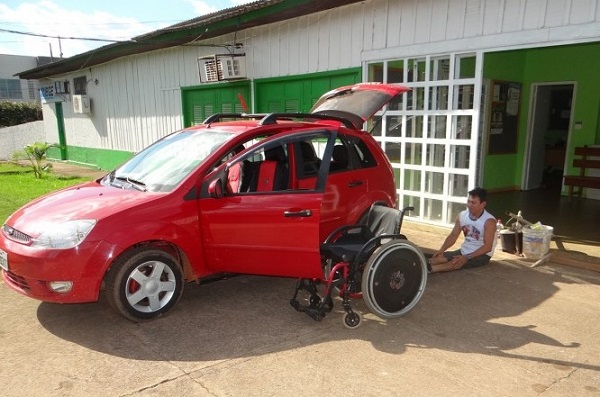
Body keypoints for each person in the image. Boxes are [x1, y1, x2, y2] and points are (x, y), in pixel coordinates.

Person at [428, 187, 496, 273]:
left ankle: (428, 270)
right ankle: (421, 265)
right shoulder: (462, 215)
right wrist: (442, 250)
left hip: (482, 255)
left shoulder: (489, 221)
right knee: (439, 258)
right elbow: (453, 235)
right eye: (468, 201)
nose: (469, 205)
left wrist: (467, 257)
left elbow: (488, 247)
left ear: (482, 204)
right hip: (464, 250)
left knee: (455, 263)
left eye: (473, 203)